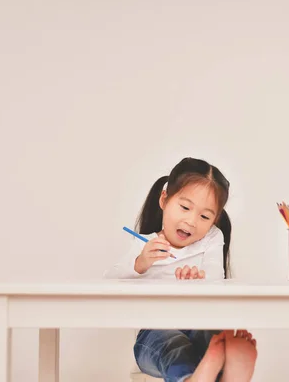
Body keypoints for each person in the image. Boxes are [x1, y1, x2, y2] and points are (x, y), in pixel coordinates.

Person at [104, 157, 257, 382]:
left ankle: (224, 366)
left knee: (213, 334)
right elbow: (108, 282)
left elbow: (217, 281)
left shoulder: (211, 239)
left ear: (214, 219)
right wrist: (140, 263)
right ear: (164, 199)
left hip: (198, 324)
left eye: (205, 216)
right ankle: (203, 375)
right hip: (154, 332)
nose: (192, 221)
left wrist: (199, 281)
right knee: (173, 347)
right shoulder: (144, 245)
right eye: (185, 207)